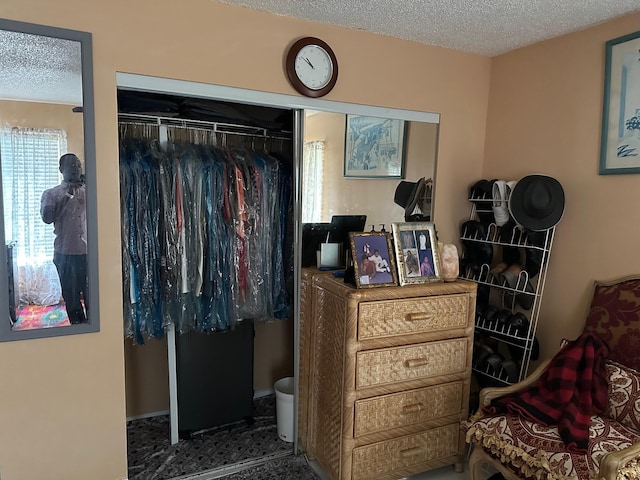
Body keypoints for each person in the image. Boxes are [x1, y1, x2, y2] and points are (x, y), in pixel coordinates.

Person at [40, 153, 88, 324]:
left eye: (78, 166)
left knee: (94, 297)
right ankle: (79, 330)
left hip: (88, 252)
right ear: (61, 169)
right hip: (65, 253)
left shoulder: (88, 191)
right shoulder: (51, 194)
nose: (76, 169)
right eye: (72, 165)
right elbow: (47, 218)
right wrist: (67, 194)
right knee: (72, 298)